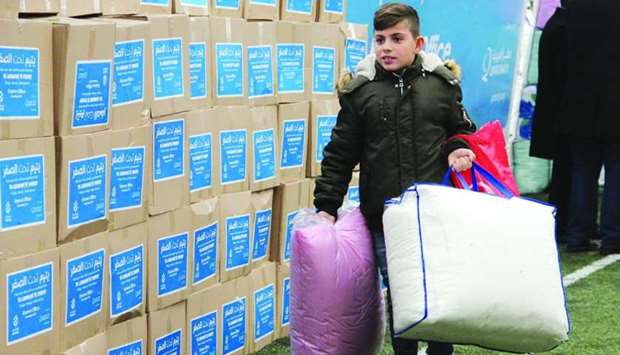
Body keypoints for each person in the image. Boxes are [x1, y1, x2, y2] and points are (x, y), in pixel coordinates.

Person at [313, 3, 476, 354]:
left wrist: (458, 148)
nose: (386, 47)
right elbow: (340, 154)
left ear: (418, 44)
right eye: (380, 39)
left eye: (396, 39)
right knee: (401, 292)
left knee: (438, 291)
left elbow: (459, 129)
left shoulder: (442, 86)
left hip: (436, 213)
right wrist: (326, 205)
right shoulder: (361, 94)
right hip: (385, 216)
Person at [562, 0, 620, 255]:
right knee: (616, 174)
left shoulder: (574, 7)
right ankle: (612, 237)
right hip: (614, 103)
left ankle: (577, 237)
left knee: (583, 173)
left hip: (580, 103)